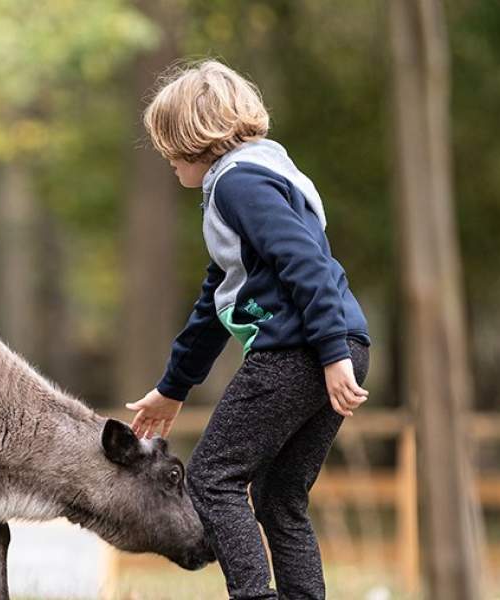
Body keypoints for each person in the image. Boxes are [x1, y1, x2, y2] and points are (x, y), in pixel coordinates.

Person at [125, 60, 372, 599]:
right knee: (280, 494)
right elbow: (215, 303)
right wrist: (173, 387)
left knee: (214, 480)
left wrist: (330, 355)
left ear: (193, 137)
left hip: (301, 350)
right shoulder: (262, 176)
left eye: (168, 144)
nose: (166, 160)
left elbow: (305, 263)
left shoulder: (238, 183)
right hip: (332, 343)